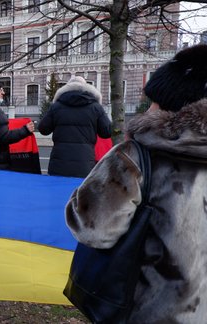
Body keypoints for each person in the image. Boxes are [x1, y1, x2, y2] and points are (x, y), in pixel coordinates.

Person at [65, 44, 207, 323]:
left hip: (146, 308)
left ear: (171, 103)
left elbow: (94, 230)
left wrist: (78, 201)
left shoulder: (135, 156)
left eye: (153, 100)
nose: (148, 106)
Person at [38, 76, 111, 177]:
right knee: (81, 192)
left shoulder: (56, 107)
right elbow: (106, 132)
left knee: (57, 191)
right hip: (85, 163)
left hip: (59, 164)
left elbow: (43, 129)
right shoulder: (96, 107)